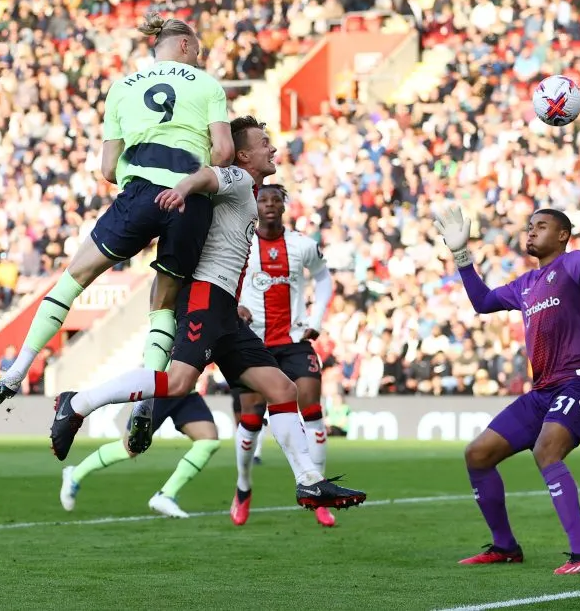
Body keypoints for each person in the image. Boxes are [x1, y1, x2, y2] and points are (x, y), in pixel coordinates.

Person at [47, 116, 366, 512]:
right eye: (264, 142)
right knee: (179, 382)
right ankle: (76, 403)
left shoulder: (250, 189)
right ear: (245, 153)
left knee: (283, 390)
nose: (272, 147)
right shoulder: (235, 177)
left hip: (225, 308)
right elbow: (207, 176)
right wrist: (181, 188)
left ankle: (309, 482)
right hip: (204, 294)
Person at [0, 12, 234, 404]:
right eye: (197, 51)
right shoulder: (207, 86)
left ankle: (17, 370)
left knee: (74, 277)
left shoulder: (122, 88)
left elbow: (106, 169)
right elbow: (224, 151)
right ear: (184, 45)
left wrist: (140, 174)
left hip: (141, 195)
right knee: (163, 302)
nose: (198, 59)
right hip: (189, 201)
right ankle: (146, 404)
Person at [433, 193, 580, 575]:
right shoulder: (525, 283)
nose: (531, 231)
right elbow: (483, 302)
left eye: (541, 226)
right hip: (543, 391)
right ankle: (505, 547)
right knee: (477, 454)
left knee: (546, 451)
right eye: (529, 226)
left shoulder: (575, 264)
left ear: (562, 236)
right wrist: (461, 256)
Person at [227, 184, 335, 527]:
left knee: (313, 408)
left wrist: (315, 322)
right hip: (252, 343)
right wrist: (234, 306)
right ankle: (243, 488)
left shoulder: (302, 245)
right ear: (254, 206)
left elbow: (324, 279)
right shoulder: (239, 243)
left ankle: (316, 489)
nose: (270, 205)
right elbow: (222, 280)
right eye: (263, 200)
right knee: (251, 419)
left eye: (276, 200)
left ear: (284, 207)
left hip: (294, 340)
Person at [59, 394, 220, 519]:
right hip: (160, 390)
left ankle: (166, 495)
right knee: (129, 448)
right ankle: (75, 474)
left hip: (186, 392)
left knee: (208, 440)